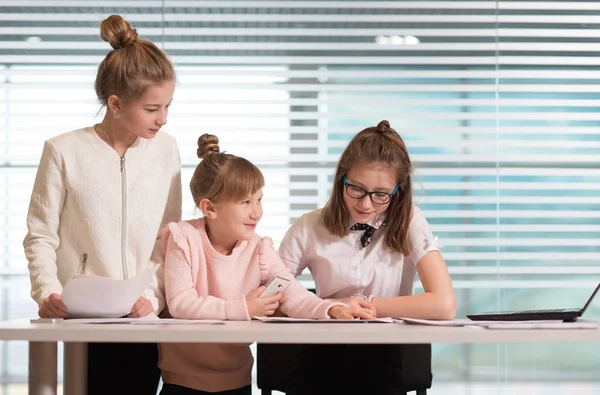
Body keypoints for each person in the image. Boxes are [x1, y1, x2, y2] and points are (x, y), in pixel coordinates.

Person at [23, 14, 181, 395]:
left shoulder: (166, 149)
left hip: (143, 316)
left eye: (167, 106)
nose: (162, 119)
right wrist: (47, 292)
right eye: (152, 108)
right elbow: (40, 235)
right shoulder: (63, 151)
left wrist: (151, 297)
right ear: (115, 103)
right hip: (82, 316)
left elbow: (170, 237)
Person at [158, 134, 372, 395]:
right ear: (210, 208)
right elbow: (181, 303)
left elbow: (294, 295)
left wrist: (331, 309)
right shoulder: (183, 239)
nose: (256, 212)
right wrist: (242, 307)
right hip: (183, 382)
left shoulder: (259, 248)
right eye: (245, 202)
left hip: (237, 380)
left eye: (259, 200)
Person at [278, 120, 456, 395]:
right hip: (317, 360)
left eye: (381, 194)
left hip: (382, 363)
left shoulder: (409, 221)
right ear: (341, 180)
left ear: (398, 191)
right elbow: (267, 299)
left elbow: (444, 304)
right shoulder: (308, 226)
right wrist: (328, 308)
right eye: (356, 189)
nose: (365, 204)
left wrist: (369, 305)